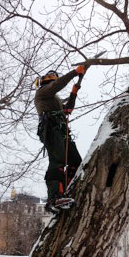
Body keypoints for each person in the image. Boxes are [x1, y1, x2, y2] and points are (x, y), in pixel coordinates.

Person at [34, 65, 87, 213]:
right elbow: (58, 84)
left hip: (61, 131)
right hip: (50, 129)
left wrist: (74, 93)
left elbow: (67, 109)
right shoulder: (43, 92)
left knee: (76, 161)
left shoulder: (54, 99)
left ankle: (67, 189)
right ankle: (54, 198)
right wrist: (75, 72)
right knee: (57, 161)